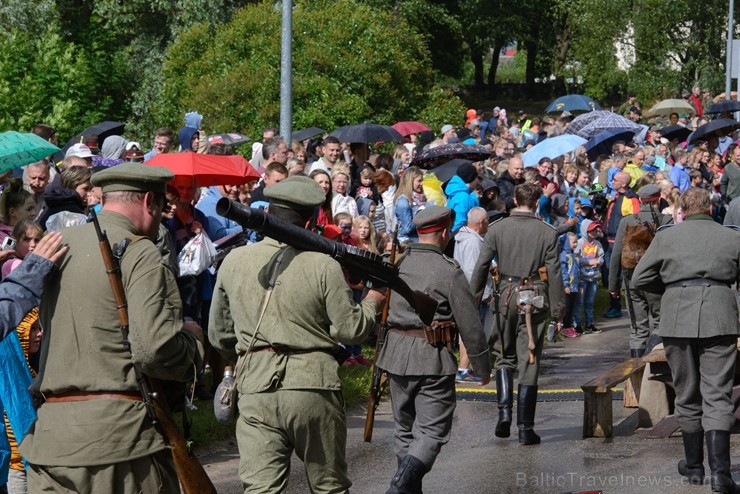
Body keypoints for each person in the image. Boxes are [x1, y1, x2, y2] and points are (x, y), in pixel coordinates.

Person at [20, 163, 204, 493]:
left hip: (51, 439)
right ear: (150, 201)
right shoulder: (140, 251)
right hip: (118, 446)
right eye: (162, 207)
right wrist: (193, 346)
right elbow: (154, 349)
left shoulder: (55, 245)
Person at [209, 176, 385, 492]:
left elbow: (219, 335)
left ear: (269, 212)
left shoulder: (233, 261)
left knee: (261, 490)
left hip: (255, 388)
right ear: (310, 220)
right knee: (329, 486)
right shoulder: (323, 264)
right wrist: (374, 300)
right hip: (313, 387)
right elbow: (351, 328)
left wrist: (251, 346)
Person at [631, 188, 740, 494]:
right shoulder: (732, 237)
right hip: (720, 315)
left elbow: (639, 279)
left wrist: (668, 296)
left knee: (686, 390)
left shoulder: (666, 238)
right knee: (718, 393)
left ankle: (694, 467)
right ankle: (721, 475)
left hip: (676, 316)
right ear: (709, 207)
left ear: (682, 209)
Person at [377, 205, 491, 493]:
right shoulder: (448, 270)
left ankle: (406, 489)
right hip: (431, 356)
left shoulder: (398, 263)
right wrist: (481, 366)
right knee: (432, 431)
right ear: (443, 233)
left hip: (394, 354)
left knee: (404, 430)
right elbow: (470, 324)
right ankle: (399, 487)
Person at [470, 183, 564, 445]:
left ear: (514, 200)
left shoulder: (497, 228)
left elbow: (482, 265)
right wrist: (558, 308)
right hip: (534, 296)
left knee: (502, 354)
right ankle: (525, 428)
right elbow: (554, 272)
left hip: (505, 296)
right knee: (529, 358)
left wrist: (474, 296)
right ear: (536, 203)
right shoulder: (547, 232)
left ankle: (504, 413)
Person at [608, 184, 672, 356]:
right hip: (657, 280)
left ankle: (637, 371)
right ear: (658, 199)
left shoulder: (626, 221)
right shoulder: (666, 221)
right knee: (660, 324)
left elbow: (616, 255)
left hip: (631, 280)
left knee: (637, 328)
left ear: (640, 201)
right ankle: (655, 368)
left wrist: (613, 285)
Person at [572, 222, 604, 335]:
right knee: (579, 302)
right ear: (585, 230)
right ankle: (577, 324)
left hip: (593, 277)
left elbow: (601, 257)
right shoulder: (579, 243)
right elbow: (576, 258)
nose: (594, 232)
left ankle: (589, 323)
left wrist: (598, 262)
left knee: (590, 302)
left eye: (596, 230)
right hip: (582, 278)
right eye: (591, 230)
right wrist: (588, 262)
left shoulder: (597, 244)